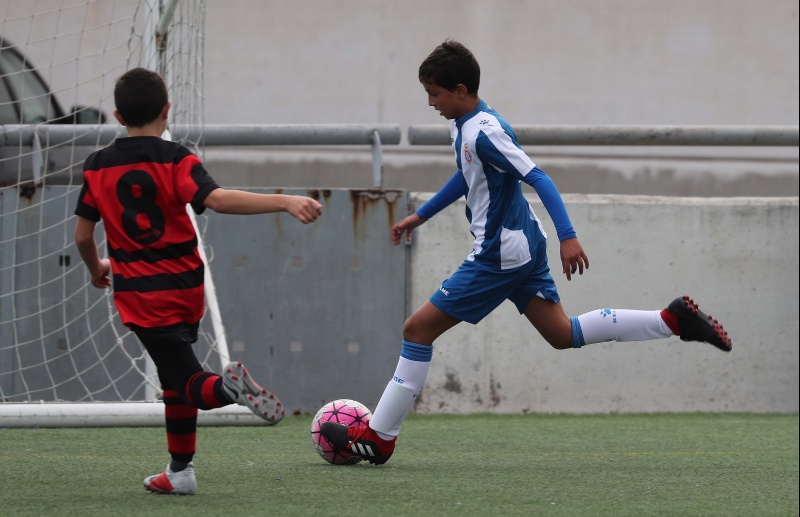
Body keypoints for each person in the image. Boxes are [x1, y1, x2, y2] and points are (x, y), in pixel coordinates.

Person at [321, 40, 731, 465]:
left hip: (500, 254)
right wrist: (421, 216)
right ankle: (671, 320)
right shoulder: (465, 123)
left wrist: (568, 236)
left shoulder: (485, 131)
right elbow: (467, 176)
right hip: (523, 243)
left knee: (416, 330)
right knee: (562, 333)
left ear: (460, 90)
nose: (430, 102)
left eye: (434, 94)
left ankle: (380, 437)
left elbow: (539, 178)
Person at [73, 67, 323, 495]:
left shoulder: (97, 166)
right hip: (185, 284)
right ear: (167, 110)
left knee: (188, 383)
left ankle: (227, 388)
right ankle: (179, 472)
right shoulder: (176, 158)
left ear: (117, 115)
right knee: (174, 378)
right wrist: (284, 199)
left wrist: (97, 265)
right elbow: (218, 200)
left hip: (143, 295)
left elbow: (82, 235)